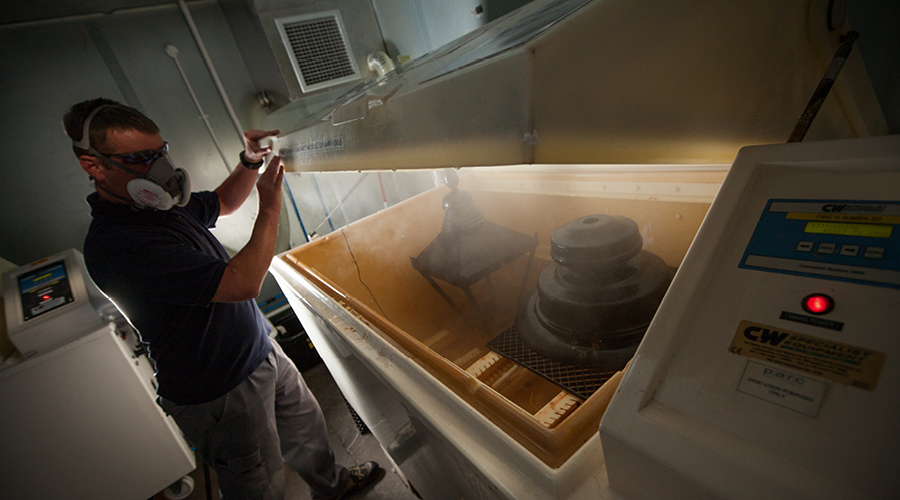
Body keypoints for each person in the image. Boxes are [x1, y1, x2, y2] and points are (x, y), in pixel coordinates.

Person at [63, 98, 381, 500]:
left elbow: (223, 202)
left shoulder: (158, 206)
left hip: (259, 350)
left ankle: (333, 487)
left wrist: (249, 161)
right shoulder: (117, 245)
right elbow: (242, 282)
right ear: (94, 165)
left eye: (161, 152)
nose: (161, 168)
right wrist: (270, 206)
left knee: (307, 433)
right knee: (257, 484)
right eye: (143, 158)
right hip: (220, 392)